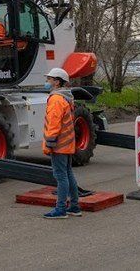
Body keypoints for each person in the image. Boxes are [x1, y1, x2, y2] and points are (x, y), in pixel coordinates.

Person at [42, 66, 81, 219]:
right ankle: (74, 207)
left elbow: (53, 123)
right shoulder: (66, 97)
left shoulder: (56, 99)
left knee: (61, 177)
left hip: (59, 144)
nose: (47, 81)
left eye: (49, 79)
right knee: (68, 174)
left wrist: (49, 143)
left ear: (57, 82)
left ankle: (60, 209)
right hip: (67, 144)